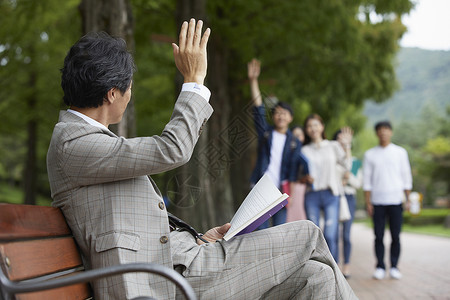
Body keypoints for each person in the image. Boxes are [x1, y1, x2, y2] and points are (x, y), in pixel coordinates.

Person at [47, 20, 357, 299]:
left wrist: (197, 239)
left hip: (179, 264)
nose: (130, 95)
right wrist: (194, 80)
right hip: (165, 282)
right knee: (307, 234)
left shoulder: (87, 142)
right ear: (113, 92)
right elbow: (172, 148)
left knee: (316, 277)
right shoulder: (73, 143)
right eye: (129, 87)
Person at [247, 58, 301, 228]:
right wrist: (253, 81)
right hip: (261, 187)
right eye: (277, 113)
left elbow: (292, 170)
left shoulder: (294, 142)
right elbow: (259, 110)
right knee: (261, 230)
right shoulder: (266, 133)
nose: (280, 116)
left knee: (278, 231)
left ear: (290, 118)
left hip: (281, 191)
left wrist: (289, 194)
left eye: (284, 113)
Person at [363, 121, 412, 280]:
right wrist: (368, 202)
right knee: (378, 236)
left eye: (386, 129)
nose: (383, 132)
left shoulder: (400, 152)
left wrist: (408, 198)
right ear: (376, 133)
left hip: (396, 200)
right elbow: (367, 181)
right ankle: (380, 266)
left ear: (390, 132)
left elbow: (406, 176)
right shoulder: (370, 154)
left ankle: (394, 266)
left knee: (396, 236)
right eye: (380, 130)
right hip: (377, 201)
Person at [301, 114, 353, 262]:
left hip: (331, 195)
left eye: (316, 124)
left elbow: (347, 165)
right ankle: (320, 270)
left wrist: (347, 146)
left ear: (322, 127)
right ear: (306, 130)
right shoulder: (304, 150)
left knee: (330, 235)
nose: (313, 128)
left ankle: (334, 270)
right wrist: (305, 178)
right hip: (312, 196)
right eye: (309, 126)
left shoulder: (333, 146)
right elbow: (299, 175)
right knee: (315, 237)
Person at [333, 129, 363, 278]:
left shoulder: (356, 161)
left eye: (345, 139)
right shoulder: (332, 159)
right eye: (339, 139)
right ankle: (335, 264)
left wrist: (347, 178)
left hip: (349, 199)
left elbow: (357, 183)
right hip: (334, 197)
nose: (342, 142)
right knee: (333, 233)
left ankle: (347, 265)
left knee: (346, 234)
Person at [287, 125, 309, 222]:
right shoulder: (288, 154)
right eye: (295, 135)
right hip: (292, 187)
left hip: (304, 189)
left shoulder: (306, 152)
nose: (297, 138)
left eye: (300, 135)